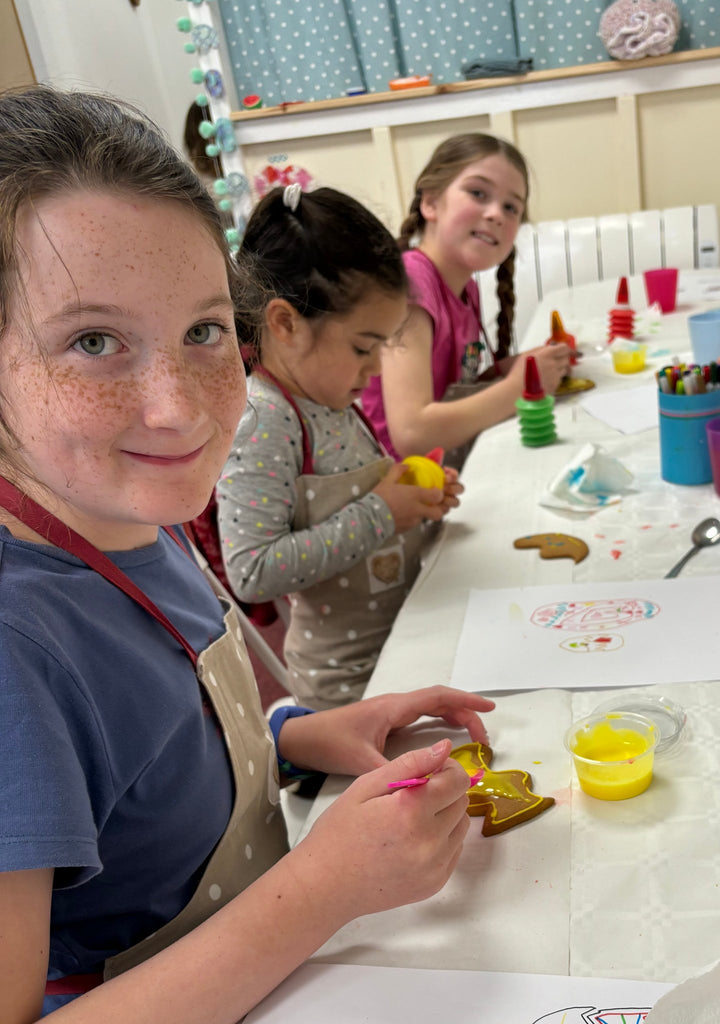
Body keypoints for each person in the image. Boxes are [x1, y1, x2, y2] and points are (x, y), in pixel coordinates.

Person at [0, 85, 494, 1023]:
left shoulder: (137, 514)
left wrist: (305, 735)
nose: (180, 407)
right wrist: (321, 890)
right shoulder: (15, 648)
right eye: (93, 340)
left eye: (201, 332)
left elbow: (152, 764)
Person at [216, 184, 463, 709]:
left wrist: (418, 497)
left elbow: (361, 497)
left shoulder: (327, 395)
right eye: (362, 347)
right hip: (349, 689)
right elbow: (252, 570)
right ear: (285, 324)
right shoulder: (263, 419)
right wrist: (382, 513)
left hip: (402, 641)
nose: (375, 368)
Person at [359, 132, 571, 469]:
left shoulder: (464, 287)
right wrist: (517, 388)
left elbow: (453, 387)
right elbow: (412, 432)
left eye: (511, 206)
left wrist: (521, 367)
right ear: (430, 203)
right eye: (478, 193)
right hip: (402, 488)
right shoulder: (414, 284)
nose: (496, 214)